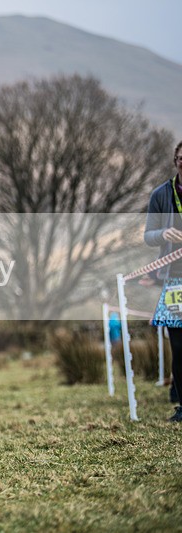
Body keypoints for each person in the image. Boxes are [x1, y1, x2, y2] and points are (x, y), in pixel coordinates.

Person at [144, 140, 182, 422]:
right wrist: (163, 234)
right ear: (175, 161)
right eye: (181, 158)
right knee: (178, 346)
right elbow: (148, 236)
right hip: (174, 280)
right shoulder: (161, 194)